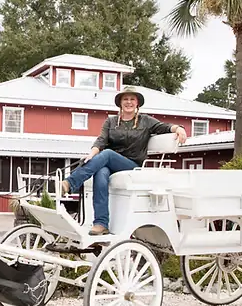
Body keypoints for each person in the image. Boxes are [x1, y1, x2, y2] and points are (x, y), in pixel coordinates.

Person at [60, 86, 187, 235]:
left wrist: (179, 128)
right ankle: (101, 223)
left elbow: (164, 127)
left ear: (137, 103)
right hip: (111, 163)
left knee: (107, 153)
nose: (129, 102)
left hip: (132, 165)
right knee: (100, 173)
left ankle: (70, 183)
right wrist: (91, 155)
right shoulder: (111, 122)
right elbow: (101, 141)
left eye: (132, 99)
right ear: (120, 103)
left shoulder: (145, 121)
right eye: (125, 99)